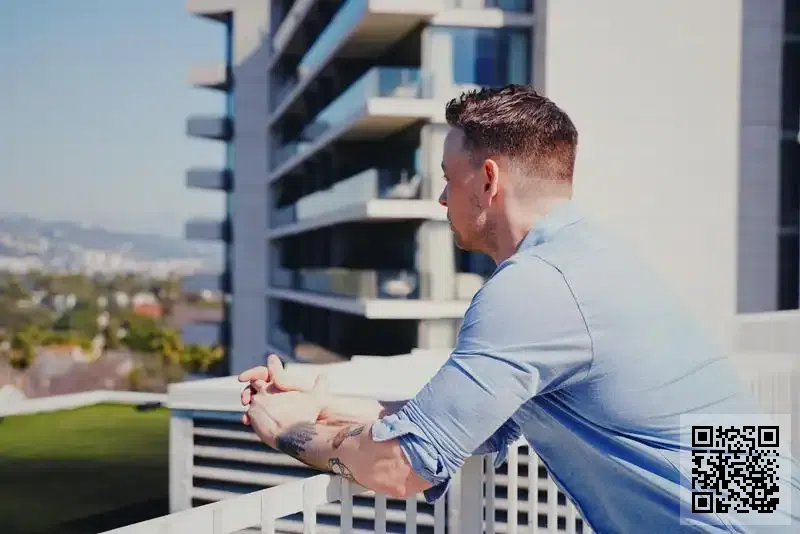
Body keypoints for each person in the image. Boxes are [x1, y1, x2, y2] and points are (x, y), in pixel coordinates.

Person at [239, 85, 800, 532]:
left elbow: (401, 465)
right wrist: (325, 403)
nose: (441, 198)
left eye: (448, 179)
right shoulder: (595, 259)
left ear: (488, 180)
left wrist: (289, 432)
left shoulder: (537, 287)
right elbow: (463, 420)